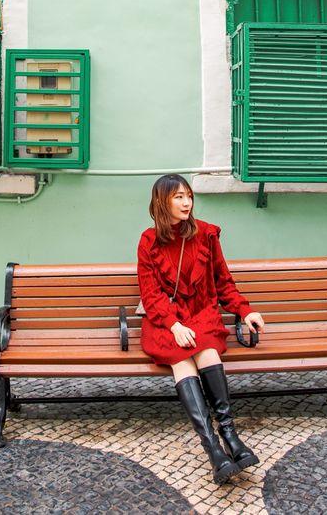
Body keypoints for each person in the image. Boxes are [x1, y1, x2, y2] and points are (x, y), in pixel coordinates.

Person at [137, 174, 265, 484]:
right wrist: (173, 324)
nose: (186, 202)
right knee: (181, 356)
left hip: (201, 313)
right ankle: (214, 451)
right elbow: (151, 294)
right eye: (178, 197)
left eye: (189, 196)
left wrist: (244, 310)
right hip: (164, 319)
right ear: (161, 202)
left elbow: (223, 281)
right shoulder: (148, 241)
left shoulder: (206, 234)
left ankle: (231, 436)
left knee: (207, 349)